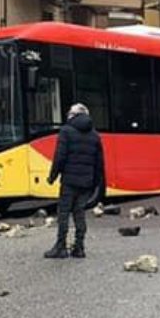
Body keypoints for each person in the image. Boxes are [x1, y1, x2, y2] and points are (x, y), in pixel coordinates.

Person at [45, 103, 105, 259]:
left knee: (63, 213)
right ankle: (79, 247)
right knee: (79, 213)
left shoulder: (66, 131)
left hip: (70, 181)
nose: (68, 115)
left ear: (75, 115)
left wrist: (52, 176)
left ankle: (61, 247)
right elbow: (99, 163)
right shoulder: (95, 135)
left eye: (70, 113)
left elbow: (60, 157)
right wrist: (95, 183)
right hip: (86, 182)